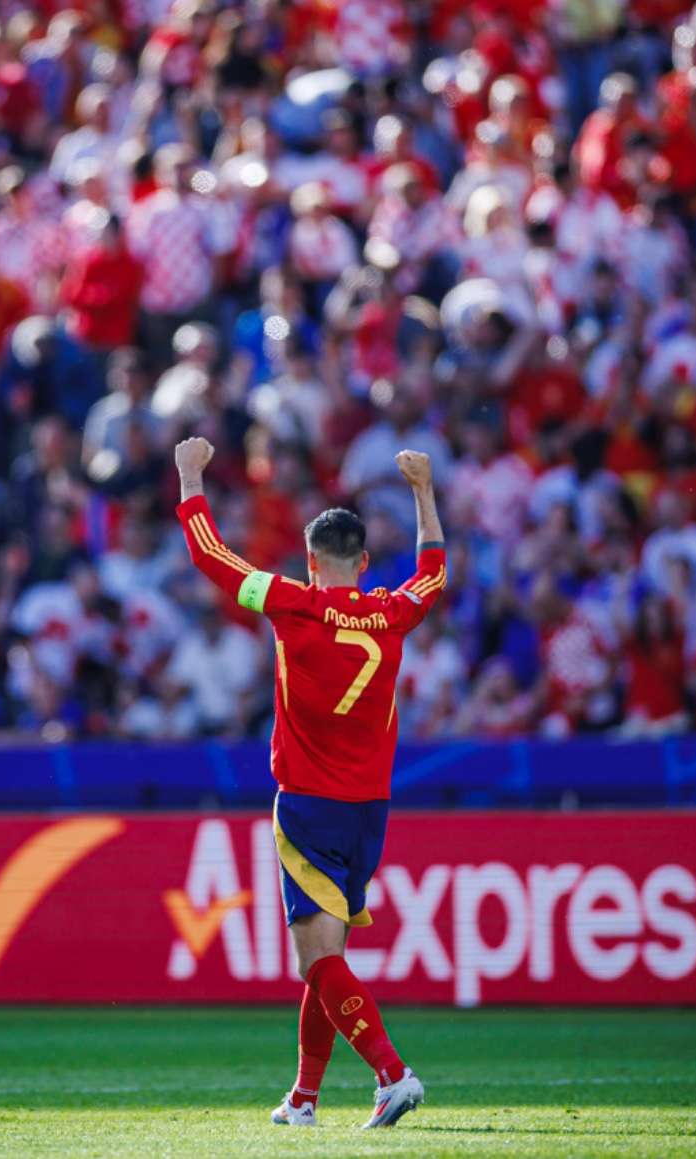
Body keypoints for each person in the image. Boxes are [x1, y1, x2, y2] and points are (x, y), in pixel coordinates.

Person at [173, 436, 444, 1129]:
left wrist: (191, 477)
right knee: (328, 954)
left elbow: (210, 556)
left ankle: (393, 1074)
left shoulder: (292, 602)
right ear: (362, 562)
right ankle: (303, 1099)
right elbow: (433, 572)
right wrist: (423, 490)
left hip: (307, 806)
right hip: (369, 812)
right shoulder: (391, 612)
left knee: (317, 961)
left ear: (311, 559)